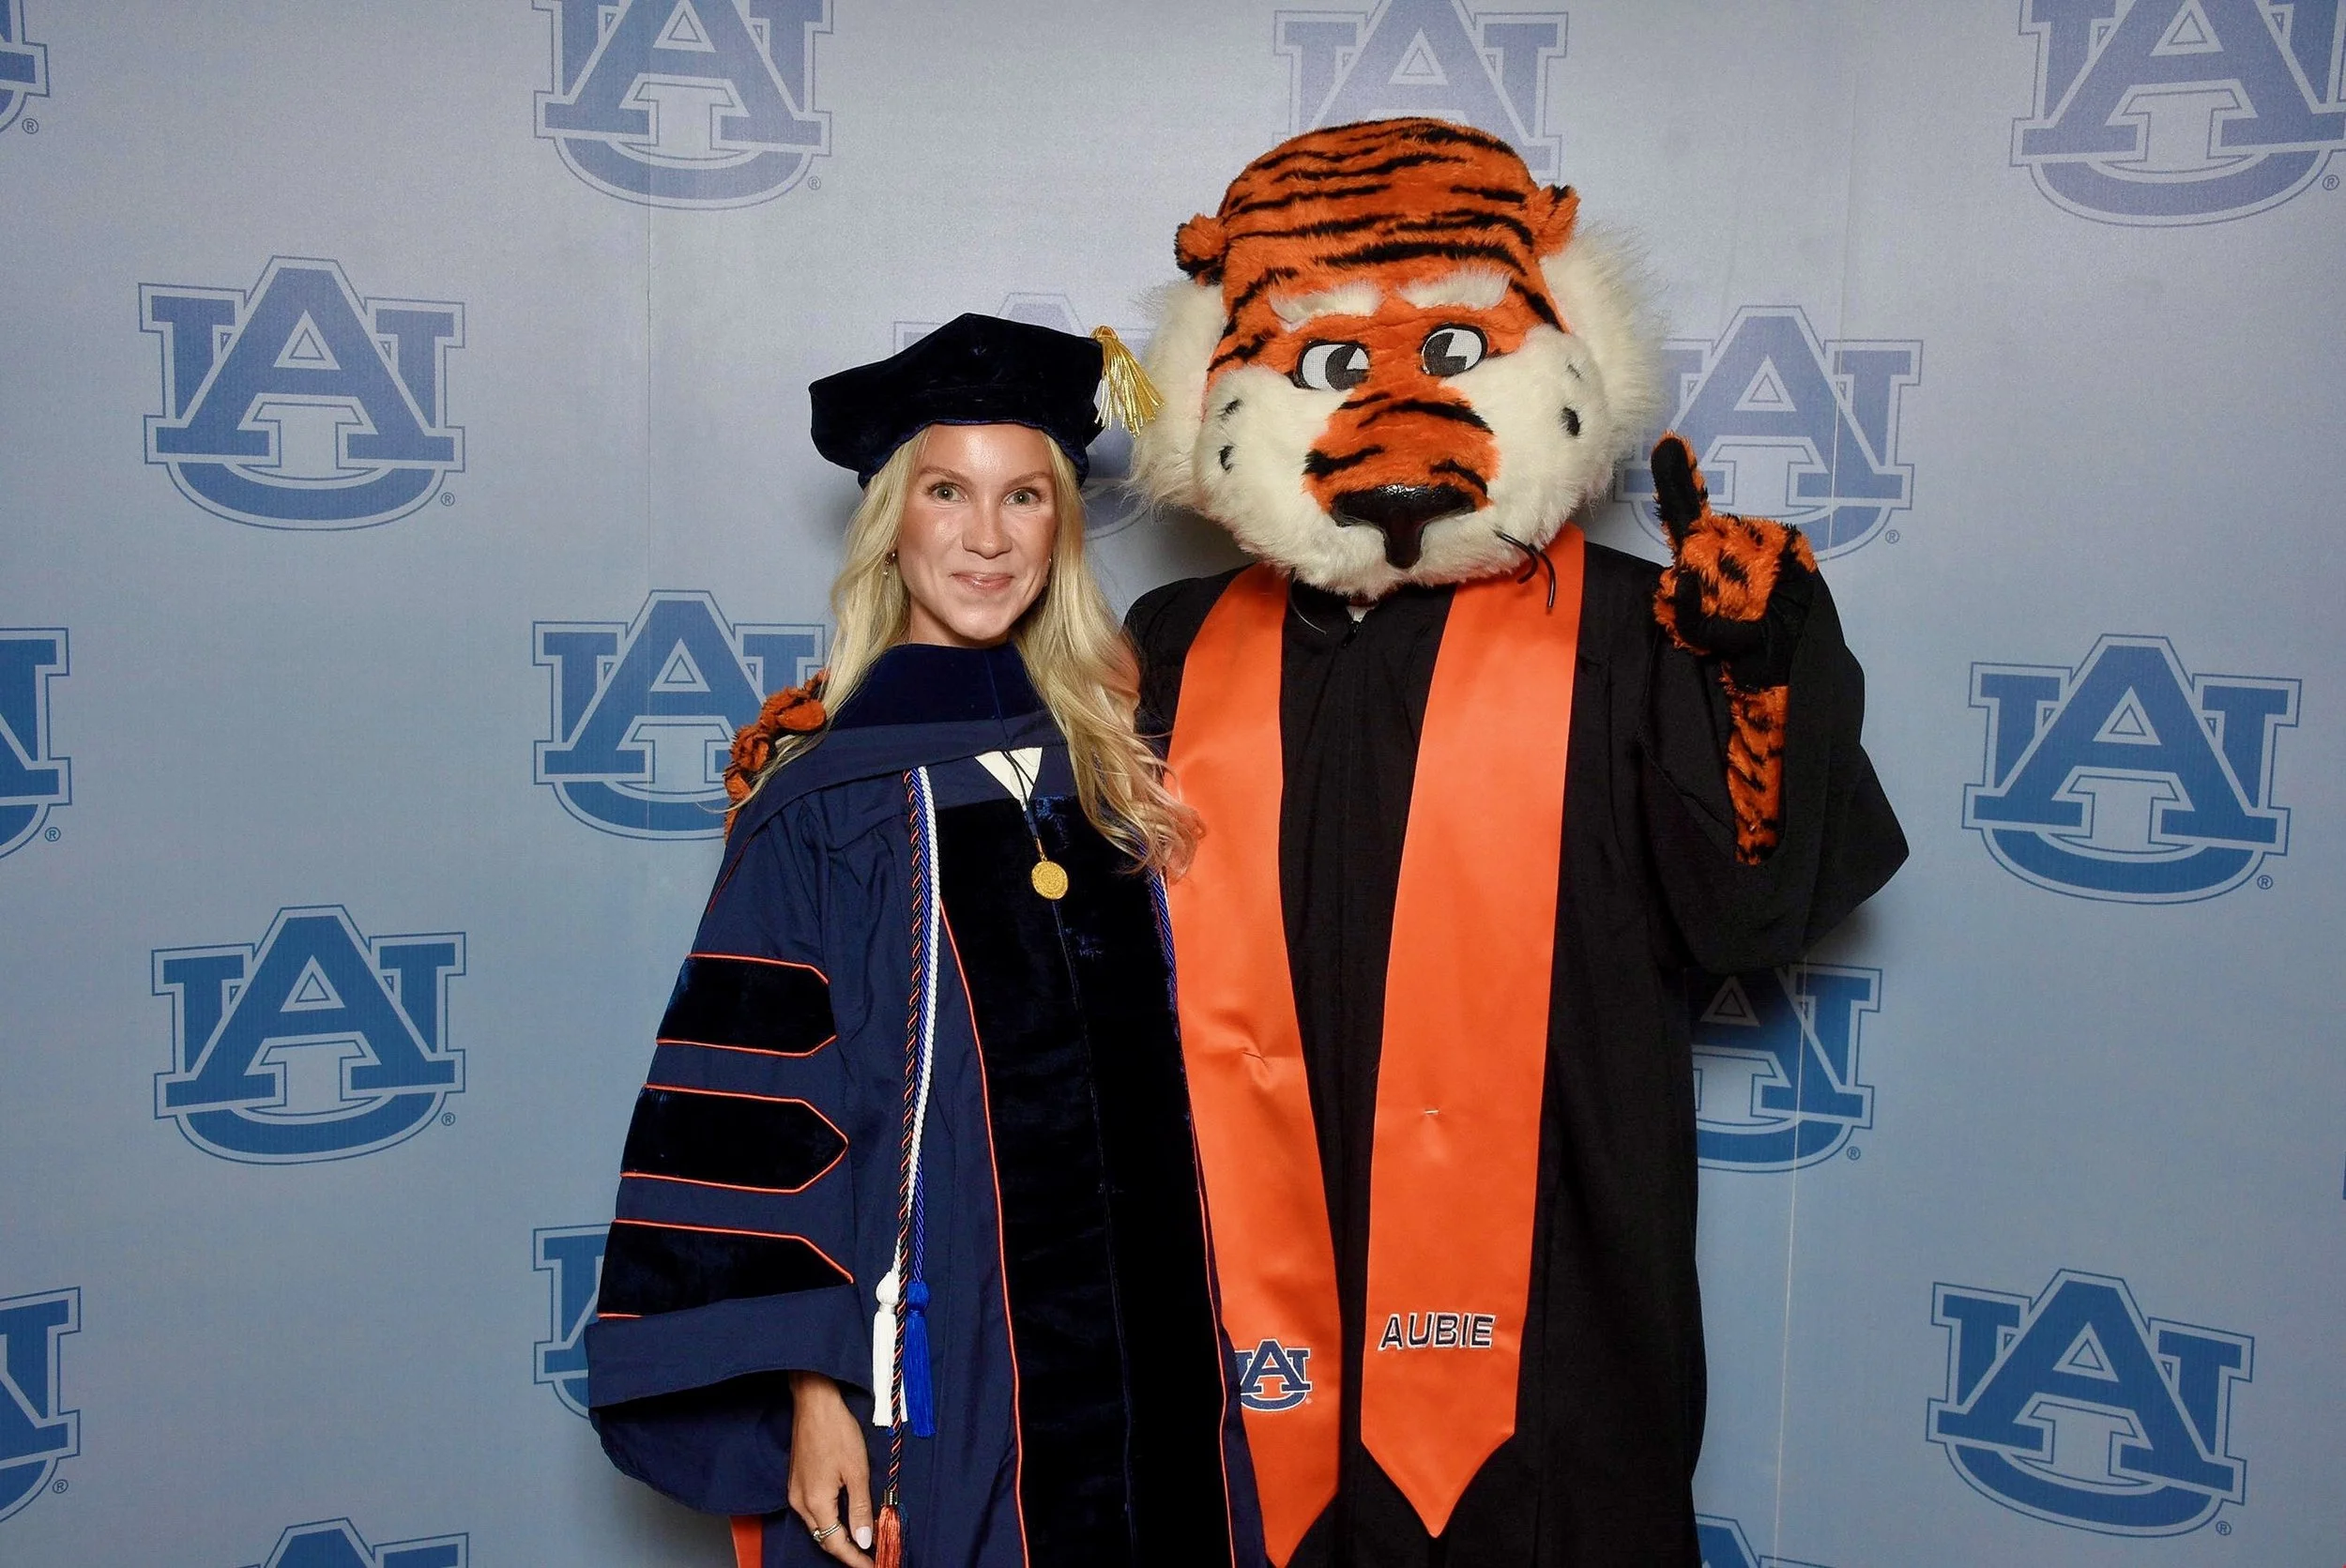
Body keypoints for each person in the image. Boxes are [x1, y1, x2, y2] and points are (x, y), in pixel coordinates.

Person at [582, 314, 1266, 1568]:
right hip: (939, 1379)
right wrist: (811, 1389)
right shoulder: (823, 804)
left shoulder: (1115, 770)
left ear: (1063, 525)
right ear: (894, 519)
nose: (989, 537)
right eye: (948, 492)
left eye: (1026, 497)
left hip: (1163, 1355)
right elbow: (754, 1130)